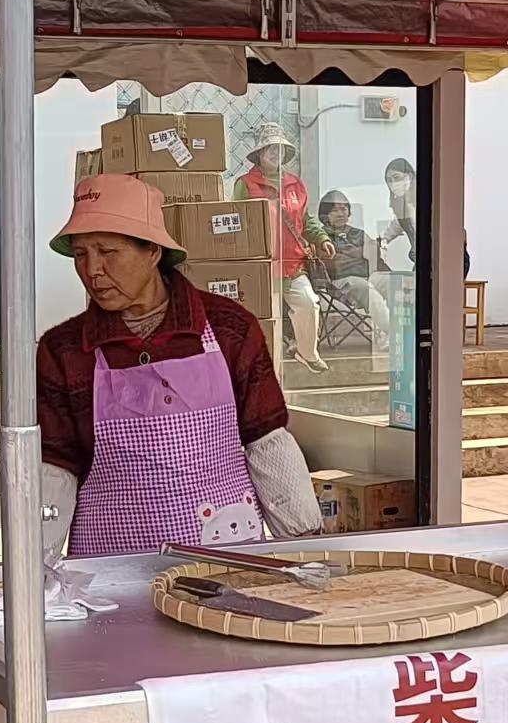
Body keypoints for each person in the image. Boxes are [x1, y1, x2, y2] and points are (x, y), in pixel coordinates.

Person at [37, 174, 323, 557]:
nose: (93, 270)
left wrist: (306, 547)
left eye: (108, 251)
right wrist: (34, 565)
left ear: (152, 252)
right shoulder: (65, 350)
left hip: (227, 554)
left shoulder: (229, 328)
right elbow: (55, 467)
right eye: (81, 255)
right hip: (110, 568)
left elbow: (266, 440)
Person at [234, 122, 334, 372]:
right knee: (267, 320)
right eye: (270, 148)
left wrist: (322, 238)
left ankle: (307, 353)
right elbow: (234, 219)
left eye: (279, 149)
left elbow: (306, 219)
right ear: (260, 152)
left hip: (292, 264)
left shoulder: (295, 184)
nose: (275, 154)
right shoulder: (245, 184)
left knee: (309, 303)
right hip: (261, 265)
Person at [314, 191, 392, 347]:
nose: (340, 214)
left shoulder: (359, 234)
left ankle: (398, 332)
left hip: (368, 276)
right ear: (325, 215)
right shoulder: (320, 237)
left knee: (395, 282)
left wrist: (349, 255)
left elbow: (375, 259)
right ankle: (394, 333)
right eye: (334, 210)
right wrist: (357, 255)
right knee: (366, 288)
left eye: (343, 209)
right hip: (339, 283)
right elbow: (332, 264)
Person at [379, 158, 417, 268]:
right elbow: (386, 234)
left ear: (409, 177)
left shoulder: (426, 202)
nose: (393, 184)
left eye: (397, 178)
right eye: (389, 180)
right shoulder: (402, 213)